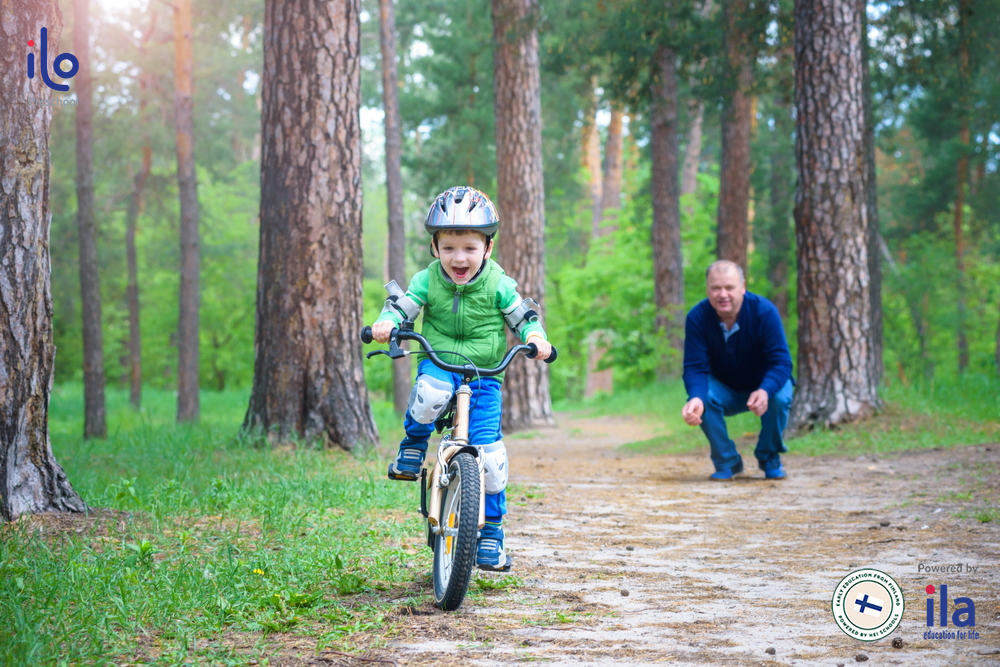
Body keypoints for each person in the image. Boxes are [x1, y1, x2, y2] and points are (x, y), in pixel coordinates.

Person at [369, 186, 552, 572]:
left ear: (487, 248)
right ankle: (415, 443)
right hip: (440, 363)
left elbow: (523, 317)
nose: (459, 257)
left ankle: (492, 536)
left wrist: (536, 339)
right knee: (429, 393)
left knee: (492, 460)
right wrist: (387, 324)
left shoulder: (499, 283)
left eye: (470, 247)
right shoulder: (427, 279)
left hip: (485, 377)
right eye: (449, 247)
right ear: (435, 248)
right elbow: (403, 307)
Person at [681, 260, 794, 481]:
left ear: (743, 287)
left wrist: (765, 390)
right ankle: (727, 462)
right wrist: (695, 397)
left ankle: (769, 457)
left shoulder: (764, 312)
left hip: (764, 385)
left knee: (780, 397)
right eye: (716, 288)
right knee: (703, 397)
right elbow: (695, 367)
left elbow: (781, 362)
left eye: (729, 287)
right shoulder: (697, 317)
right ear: (708, 289)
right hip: (725, 389)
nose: (723, 294)